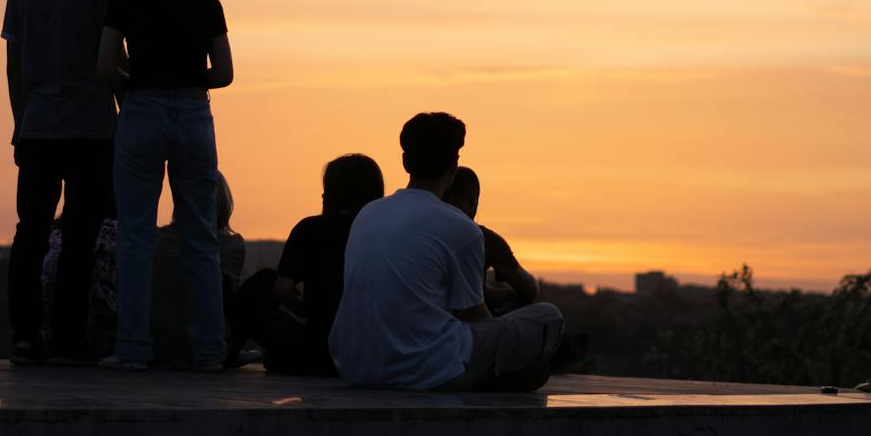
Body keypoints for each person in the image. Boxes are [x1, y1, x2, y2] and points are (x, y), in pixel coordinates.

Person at [329, 112, 564, 393]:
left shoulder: (368, 213)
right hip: (424, 369)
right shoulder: (461, 228)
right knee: (549, 317)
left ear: (405, 162)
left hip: (355, 366)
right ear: (454, 165)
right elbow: (474, 316)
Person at [97, 0, 234, 372]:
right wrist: (191, 80)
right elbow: (225, 72)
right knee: (201, 236)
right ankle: (210, 349)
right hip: (194, 115)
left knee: (135, 235)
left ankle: (133, 347)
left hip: (142, 111)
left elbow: (105, 65)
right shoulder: (207, 4)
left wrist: (133, 87)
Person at [2, 0, 130, 364]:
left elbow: (14, 61)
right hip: (91, 125)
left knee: (30, 232)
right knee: (80, 236)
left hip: (36, 124)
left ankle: (24, 333)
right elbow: (112, 56)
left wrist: (18, 122)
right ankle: (68, 337)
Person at [232, 153, 385, 376]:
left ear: (337, 192)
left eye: (327, 187)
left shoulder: (311, 229)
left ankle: (226, 352)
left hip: (320, 349)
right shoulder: (384, 232)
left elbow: (281, 289)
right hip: (371, 352)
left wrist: (303, 309)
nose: (323, 194)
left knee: (263, 281)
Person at [150, 172, 244, 367]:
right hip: (201, 348)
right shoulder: (231, 245)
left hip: (157, 346)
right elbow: (225, 302)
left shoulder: (156, 239)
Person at [443, 167, 540, 308]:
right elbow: (529, 289)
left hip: (425, 322)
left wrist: (488, 292)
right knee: (548, 313)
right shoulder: (483, 238)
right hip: (468, 324)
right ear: (473, 202)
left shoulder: (426, 232)